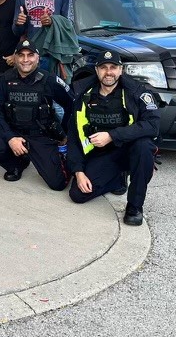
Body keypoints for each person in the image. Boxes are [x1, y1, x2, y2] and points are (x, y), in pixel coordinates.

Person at [66, 50, 160, 226]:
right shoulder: (83, 94)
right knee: (77, 195)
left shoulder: (136, 92)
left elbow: (153, 125)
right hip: (101, 153)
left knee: (144, 147)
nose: (108, 72)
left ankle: (134, 206)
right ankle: (117, 177)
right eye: (103, 68)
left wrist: (112, 135)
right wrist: (78, 172)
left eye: (113, 67)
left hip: (129, 149)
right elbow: (74, 135)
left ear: (121, 70)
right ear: (97, 70)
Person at [0, 37, 74, 188]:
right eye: (21, 55)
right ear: (15, 58)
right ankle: (17, 164)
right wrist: (10, 138)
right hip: (14, 131)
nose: (26, 60)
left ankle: (59, 157)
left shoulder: (49, 80)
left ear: (37, 58)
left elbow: (72, 104)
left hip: (41, 134)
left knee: (58, 184)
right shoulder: (4, 80)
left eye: (30, 55)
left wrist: (64, 133)